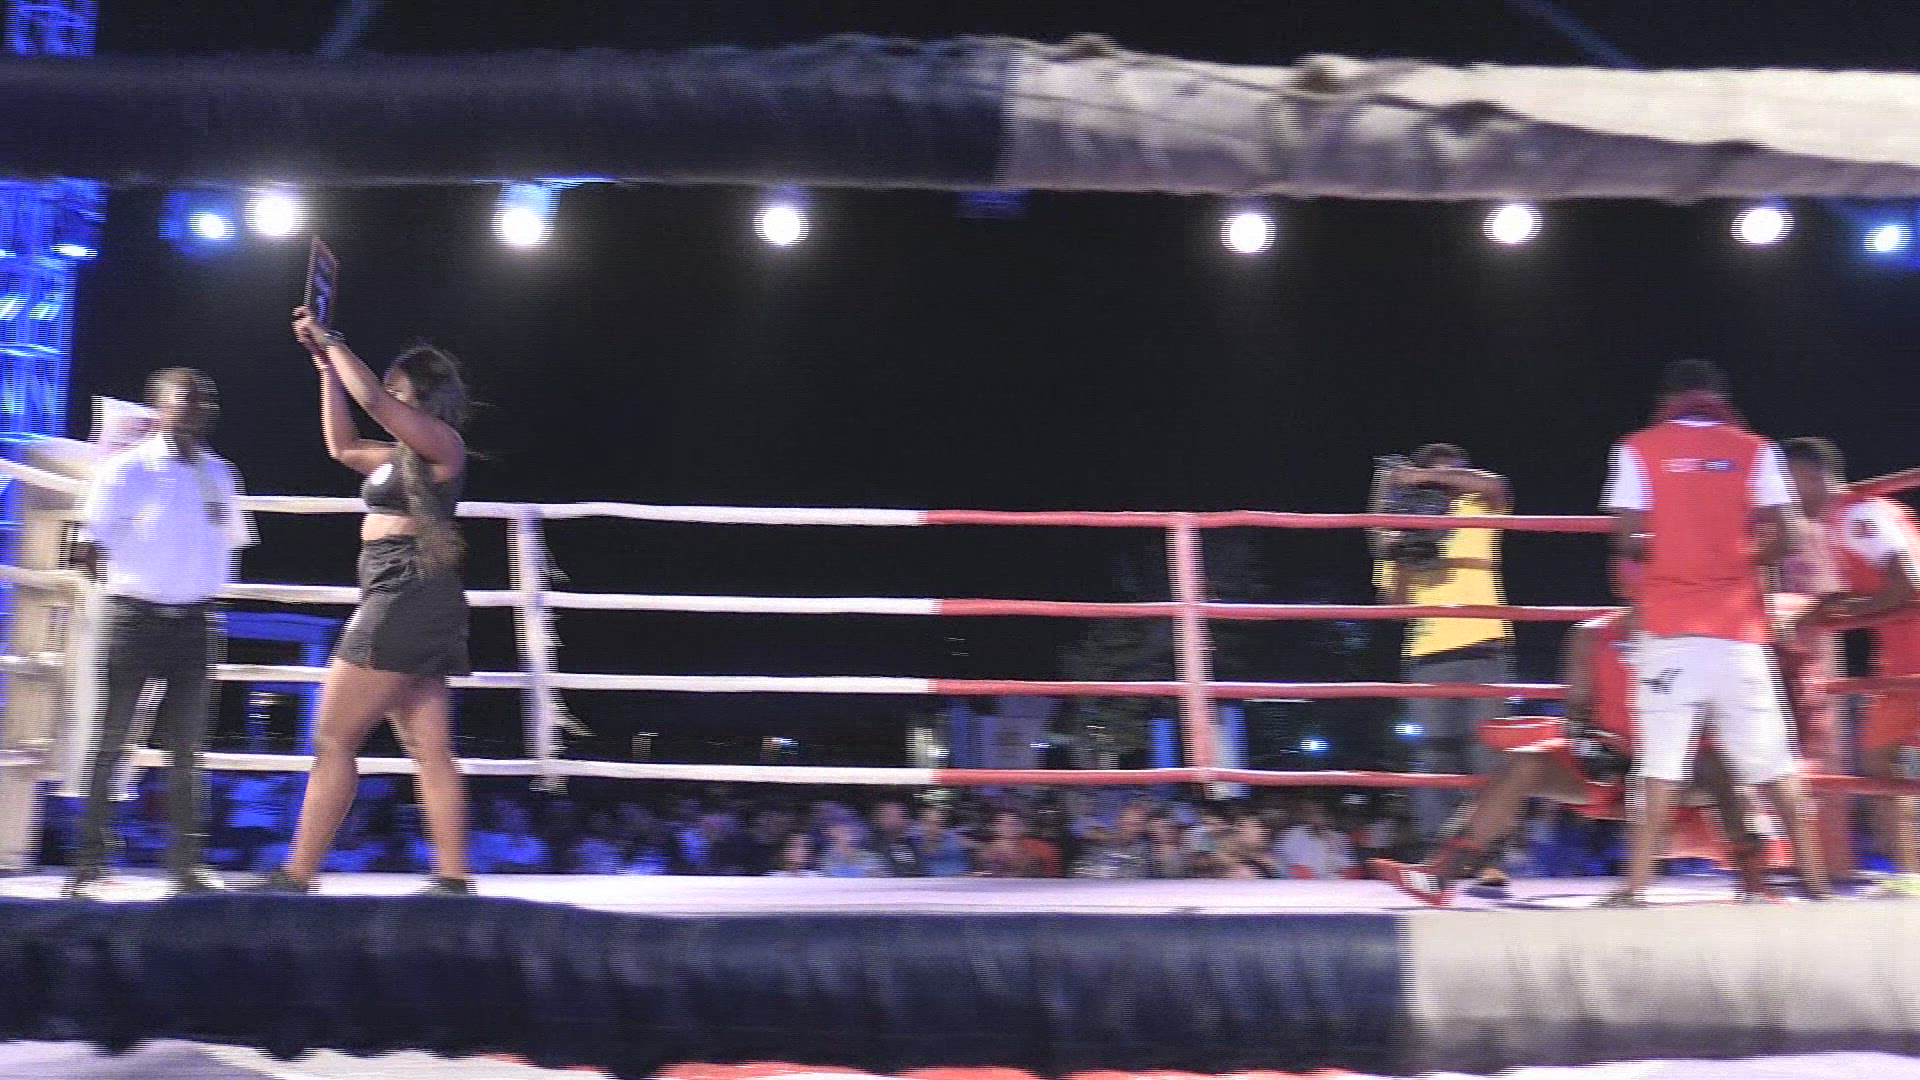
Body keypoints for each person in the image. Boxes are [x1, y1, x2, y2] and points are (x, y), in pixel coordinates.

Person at [258, 308, 475, 895]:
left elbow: (373, 401)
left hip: (406, 593)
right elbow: (342, 444)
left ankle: (298, 873)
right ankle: (454, 877)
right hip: (408, 594)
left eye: (400, 387)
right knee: (430, 746)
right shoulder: (399, 457)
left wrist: (332, 340)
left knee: (334, 737)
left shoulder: (443, 445)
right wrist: (324, 367)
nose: (388, 392)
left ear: (422, 394)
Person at [1601, 358, 1828, 906]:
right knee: (1774, 766)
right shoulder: (1757, 449)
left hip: (1669, 630)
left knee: (1659, 767)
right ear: (1719, 398)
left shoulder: (1636, 448)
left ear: (1668, 399)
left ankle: (1634, 888)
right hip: (1738, 631)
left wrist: (1673, 555)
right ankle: (1817, 884)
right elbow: (1790, 534)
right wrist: (1740, 558)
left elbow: (1626, 537)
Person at [1370, 600, 1773, 906]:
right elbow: (1577, 714)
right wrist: (1589, 744)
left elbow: (1718, 717)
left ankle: (1755, 882)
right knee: (1524, 762)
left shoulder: (1698, 639)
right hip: (1610, 768)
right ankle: (1441, 874)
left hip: (1678, 775)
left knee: (1720, 764)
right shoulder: (1592, 636)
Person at [67, 368, 256, 899]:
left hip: (195, 623)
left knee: (188, 749)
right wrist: (120, 584)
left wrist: (197, 587)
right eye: (187, 399)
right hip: (132, 617)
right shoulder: (127, 469)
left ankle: (186, 867)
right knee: (111, 742)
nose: (199, 408)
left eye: (205, 399)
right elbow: (87, 545)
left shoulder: (220, 473)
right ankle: (88, 866)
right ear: (161, 408)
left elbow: (228, 541)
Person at [1372, 443, 1516, 892]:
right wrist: (1401, 551)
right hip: (1427, 654)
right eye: (1436, 473)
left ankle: (1488, 858)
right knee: (1435, 762)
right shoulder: (1405, 520)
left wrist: (1422, 478)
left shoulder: (1477, 505)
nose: (1445, 481)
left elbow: (1497, 486)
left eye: (1452, 473)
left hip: (1483, 646)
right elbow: (1393, 606)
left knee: (1489, 759)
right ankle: (1441, 861)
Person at [1785, 436, 1920, 892]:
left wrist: (1842, 613)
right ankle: (1909, 876)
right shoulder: (1848, 517)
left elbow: (1908, 585)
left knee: (1882, 763)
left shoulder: (1859, 515)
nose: (1781, 499)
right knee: (1881, 763)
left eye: (1785, 484)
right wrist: (1833, 605)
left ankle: (1910, 875)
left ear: (1808, 477)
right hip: (1899, 658)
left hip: (1912, 656)